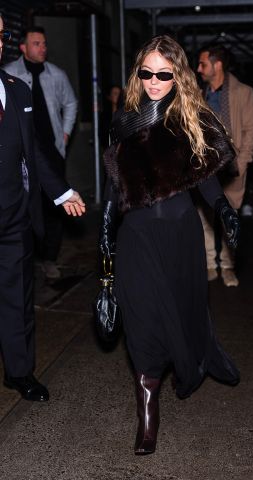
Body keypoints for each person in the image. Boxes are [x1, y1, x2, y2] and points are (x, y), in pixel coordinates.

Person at [101, 35, 240, 455]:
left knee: (180, 314)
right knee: (142, 321)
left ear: (177, 74)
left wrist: (224, 209)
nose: (155, 81)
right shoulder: (125, 119)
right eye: (147, 73)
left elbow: (206, 173)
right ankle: (147, 414)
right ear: (137, 73)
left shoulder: (188, 116)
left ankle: (188, 361)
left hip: (180, 234)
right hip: (137, 237)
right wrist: (106, 226)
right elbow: (116, 180)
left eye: (164, 73)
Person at [0, 14, 85, 402]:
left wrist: (62, 192)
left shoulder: (15, 90)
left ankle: (19, 372)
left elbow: (33, 151)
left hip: (15, 217)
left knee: (18, 301)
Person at [4, 26, 78, 280]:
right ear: (23, 47)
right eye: (37, 43)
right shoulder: (9, 75)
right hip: (20, 154)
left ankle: (49, 258)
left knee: (54, 206)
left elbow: (71, 102)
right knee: (25, 203)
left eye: (44, 43)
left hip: (51, 151)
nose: (43, 47)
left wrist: (65, 133)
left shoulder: (56, 74)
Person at [197, 44, 253, 286]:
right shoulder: (198, 94)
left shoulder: (243, 92)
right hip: (203, 167)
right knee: (203, 217)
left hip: (230, 168)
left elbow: (252, 131)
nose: (199, 69)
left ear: (217, 64)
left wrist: (242, 163)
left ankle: (228, 266)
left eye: (203, 63)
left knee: (228, 217)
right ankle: (209, 264)